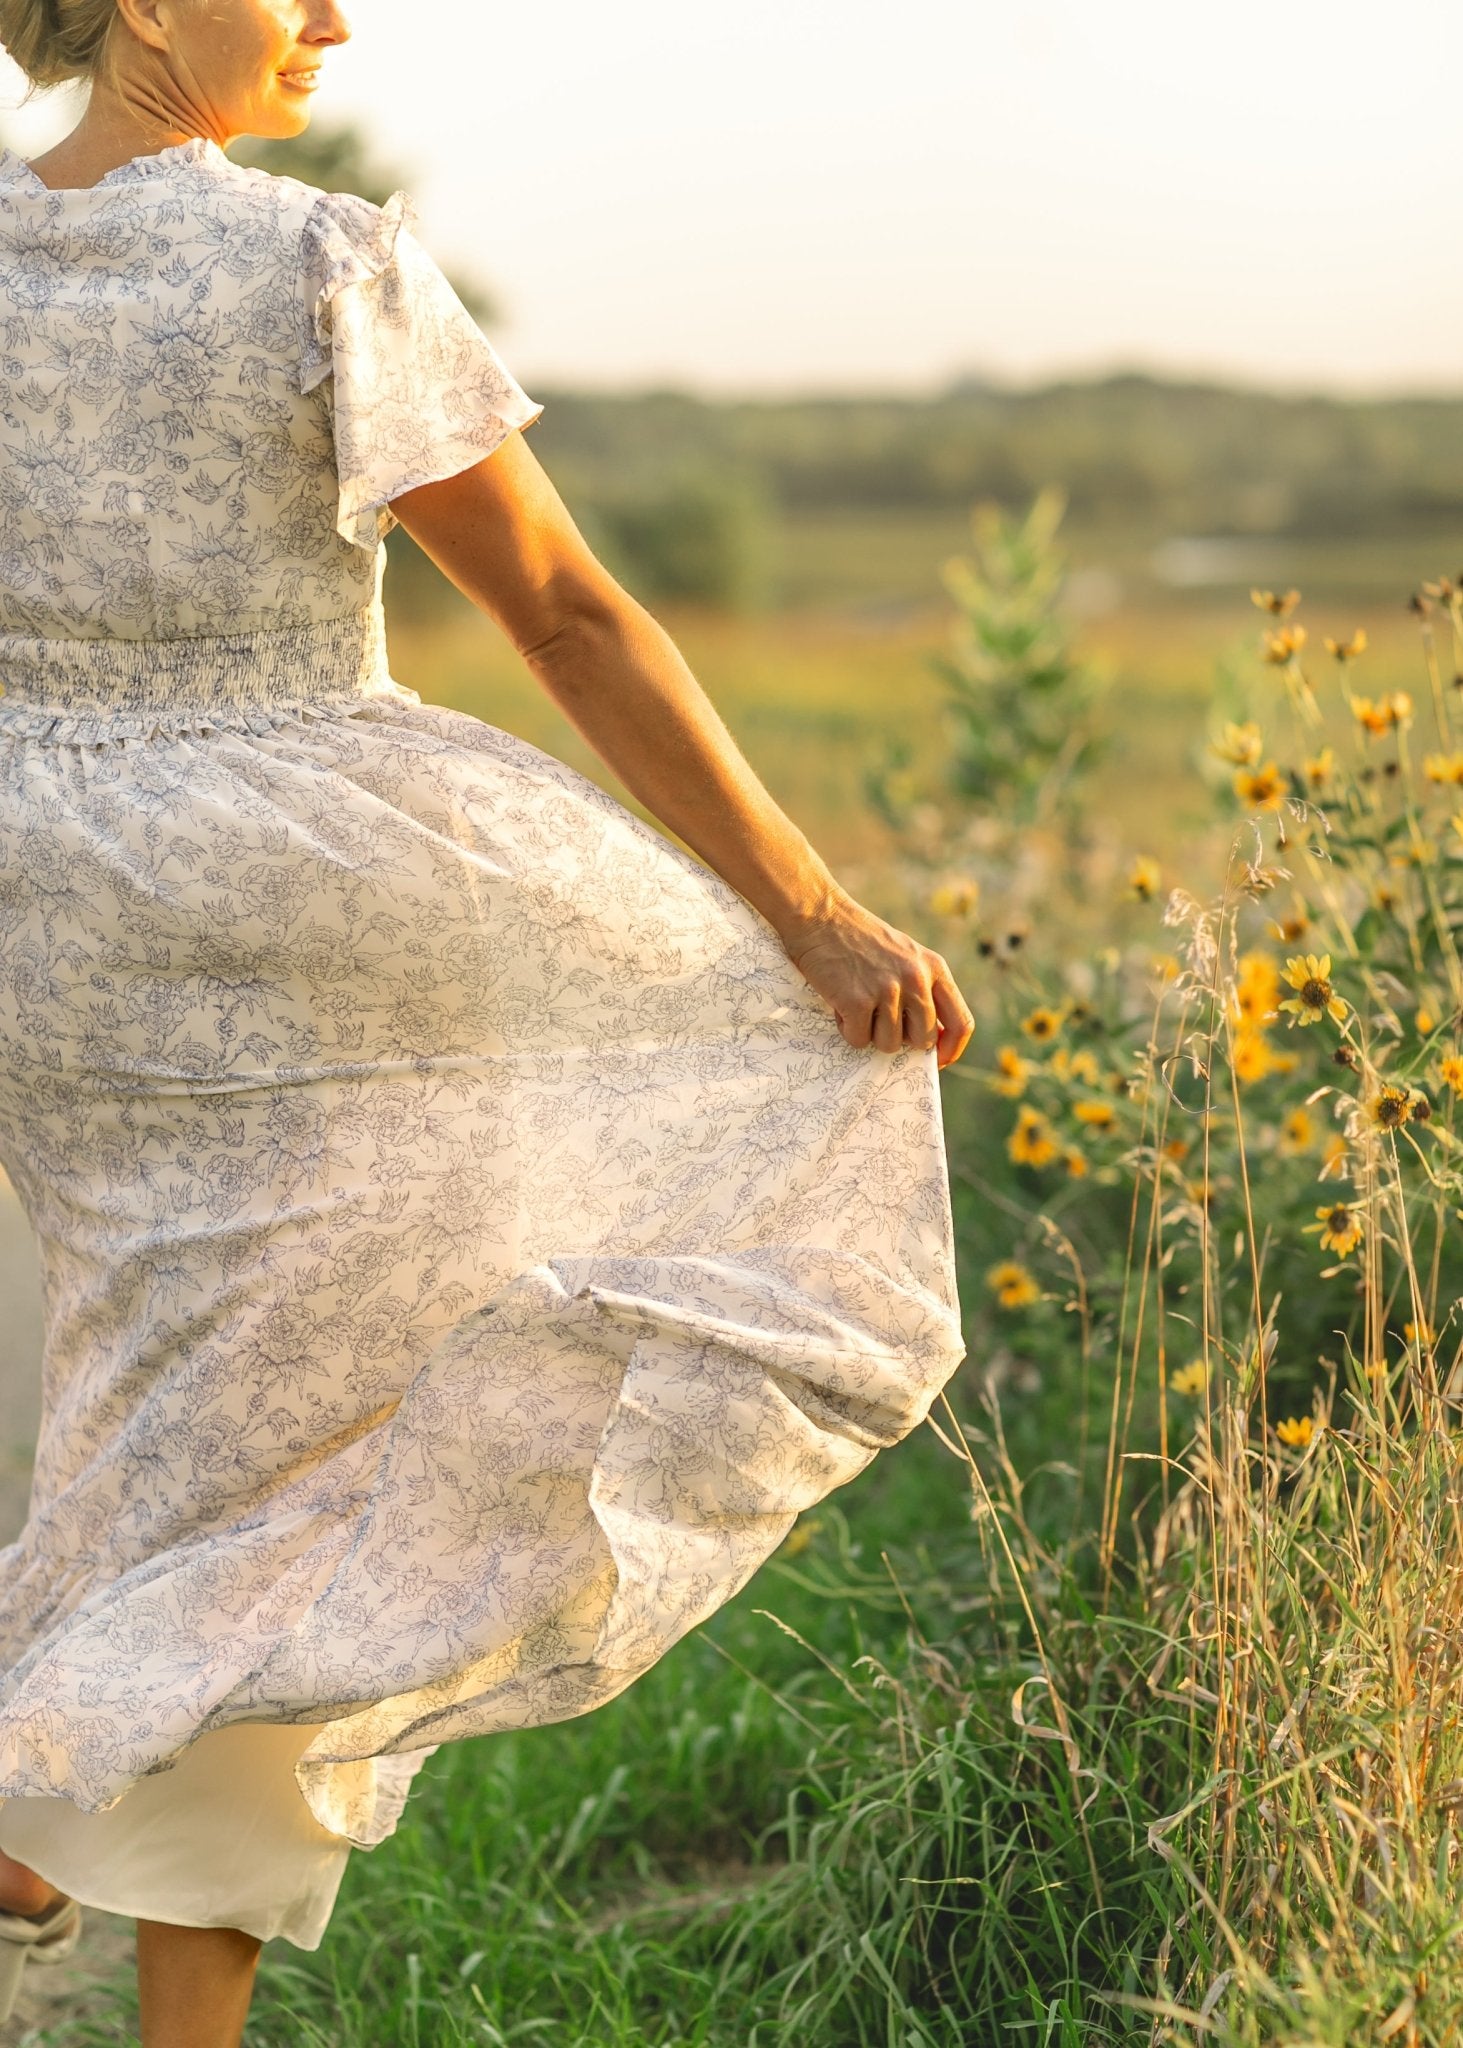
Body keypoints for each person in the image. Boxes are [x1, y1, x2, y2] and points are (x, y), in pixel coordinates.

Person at [0, 1, 975, 2041]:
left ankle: (42, 1801)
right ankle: (37, 1781)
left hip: (41, 927)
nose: (335, 15)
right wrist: (805, 910)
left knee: (161, 1437)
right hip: (296, 921)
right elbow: (563, 613)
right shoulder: (314, 263)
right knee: (317, 1456)